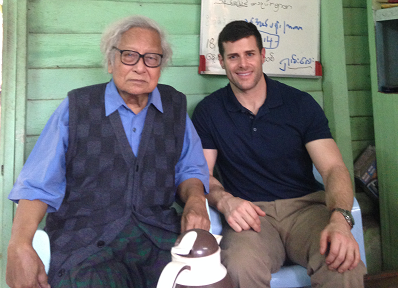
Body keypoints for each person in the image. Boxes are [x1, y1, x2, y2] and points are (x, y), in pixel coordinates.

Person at [6, 15, 210, 288]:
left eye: (151, 58)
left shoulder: (174, 108)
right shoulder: (77, 107)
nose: (140, 67)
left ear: (161, 64)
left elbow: (190, 169)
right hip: (86, 243)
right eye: (129, 56)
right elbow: (38, 185)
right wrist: (19, 244)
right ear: (111, 60)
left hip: (158, 241)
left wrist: (196, 199)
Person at [191, 20, 366, 288]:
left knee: (341, 261)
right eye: (233, 57)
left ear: (262, 55)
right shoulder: (209, 111)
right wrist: (226, 201)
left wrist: (341, 218)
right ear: (222, 61)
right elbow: (203, 174)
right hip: (251, 214)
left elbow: (333, 169)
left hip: (306, 209)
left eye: (249, 54)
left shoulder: (300, 104)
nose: (243, 64)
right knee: (238, 267)